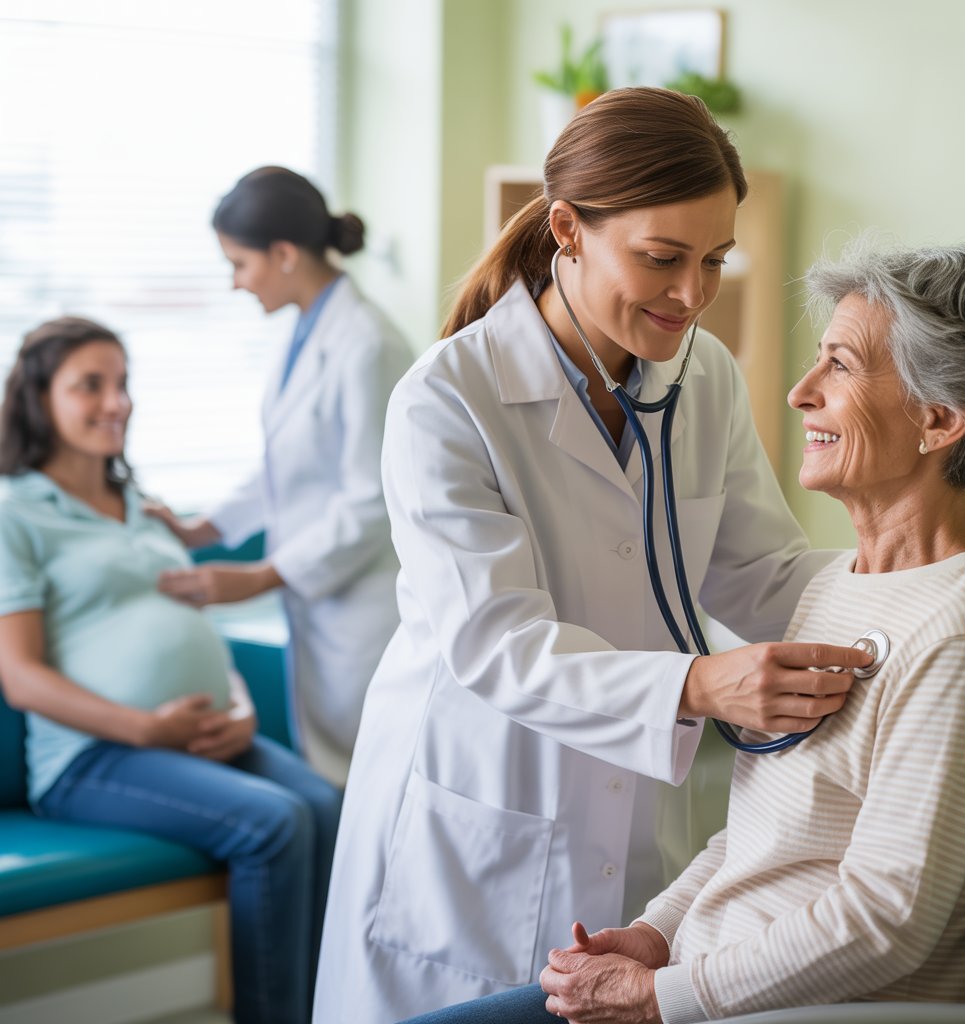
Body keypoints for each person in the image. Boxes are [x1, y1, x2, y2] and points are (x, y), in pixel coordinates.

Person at [312, 87, 874, 1022]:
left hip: (632, 821)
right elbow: (497, 644)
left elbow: (765, 575)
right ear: (568, 229)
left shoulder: (705, 376)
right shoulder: (446, 401)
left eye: (714, 261)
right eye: (661, 258)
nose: (693, 295)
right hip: (476, 812)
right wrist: (698, 686)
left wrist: (926, 595)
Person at [400, 238, 965, 1023]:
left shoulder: (961, 634)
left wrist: (663, 997)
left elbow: (884, 921)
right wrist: (657, 936)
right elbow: (760, 838)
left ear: (937, 420)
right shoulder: (837, 586)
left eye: (839, 364)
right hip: (711, 983)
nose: (801, 393)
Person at [0, 316, 343, 1024]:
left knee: (329, 806)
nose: (115, 402)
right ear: (38, 398)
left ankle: (326, 1009)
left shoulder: (143, 509)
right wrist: (143, 727)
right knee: (273, 823)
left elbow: (197, 625)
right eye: (89, 385)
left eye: (122, 384)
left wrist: (241, 708)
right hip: (95, 757)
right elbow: (21, 677)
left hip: (203, 733)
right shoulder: (16, 512)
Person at [147, 166, 412, 785]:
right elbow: (284, 465)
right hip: (322, 610)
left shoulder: (368, 344)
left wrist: (262, 576)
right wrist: (202, 529)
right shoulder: (304, 328)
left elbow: (371, 503)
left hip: (364, 611)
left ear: (285, 254)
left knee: (375, 786)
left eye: (240, 264)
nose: (236, 284)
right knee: (337, 779)